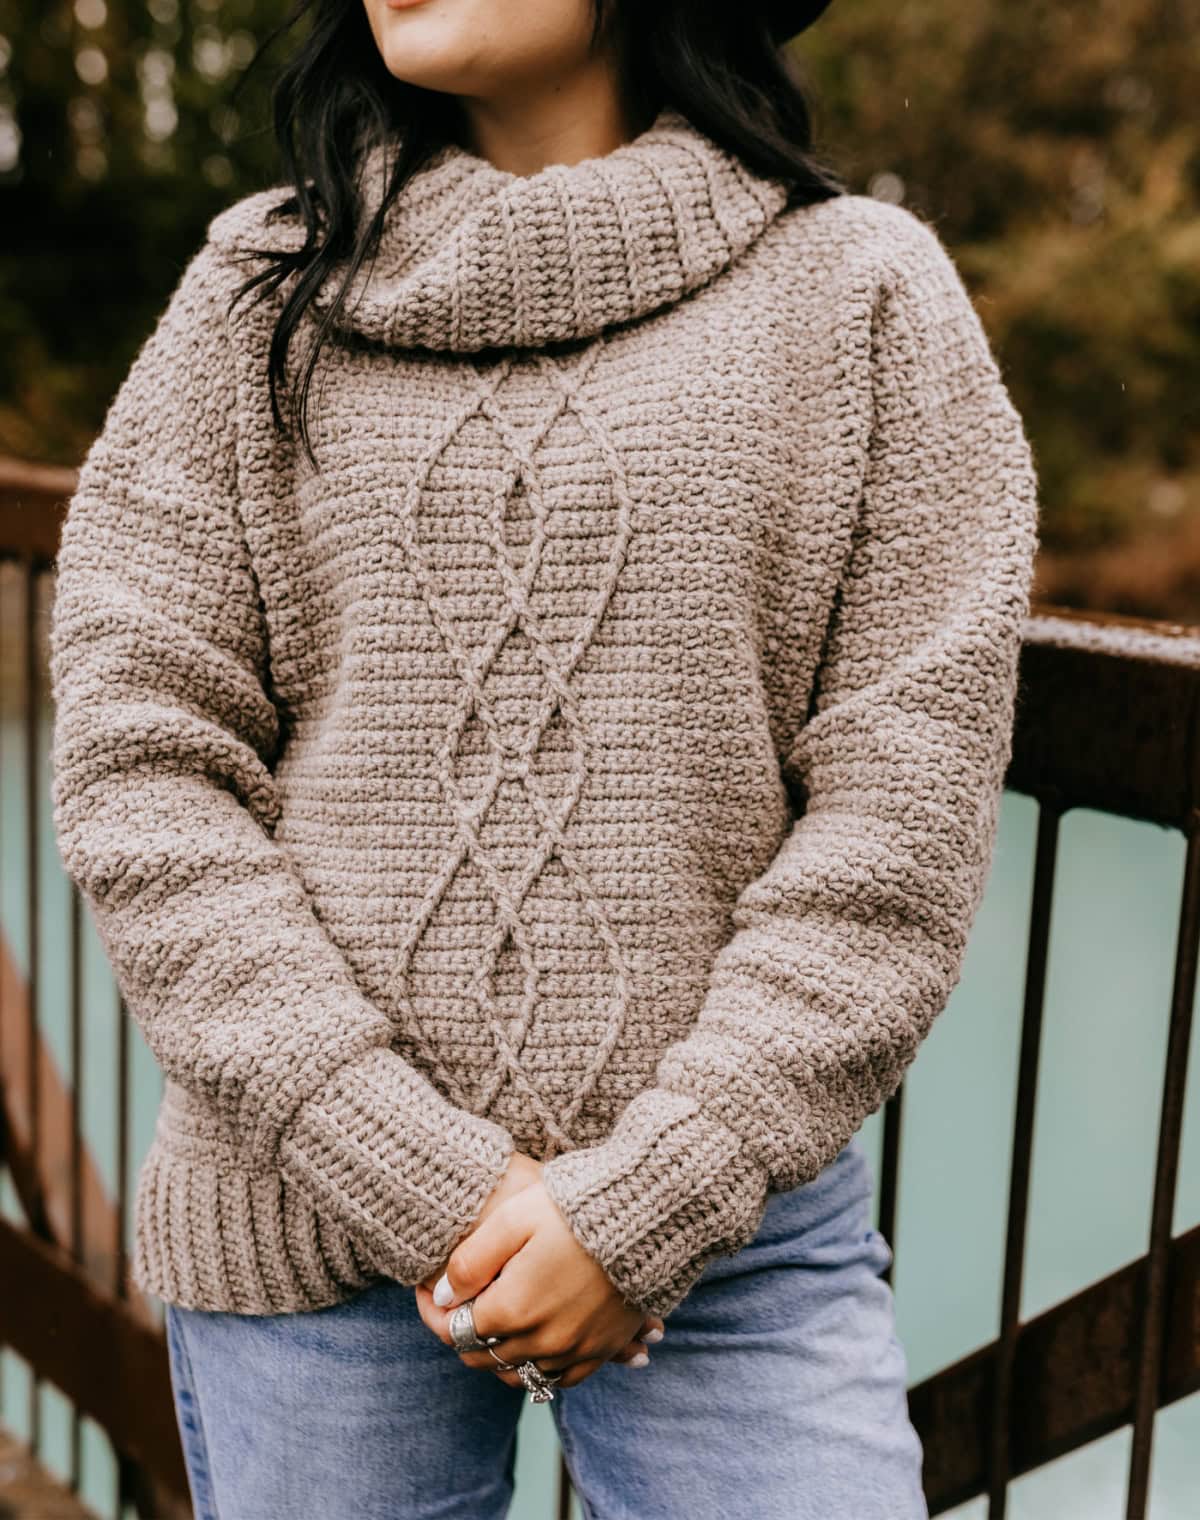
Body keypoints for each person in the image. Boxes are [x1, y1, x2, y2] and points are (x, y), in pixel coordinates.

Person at [47, 0, 1040, 1515]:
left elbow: (899, 818)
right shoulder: (258, 291)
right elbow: (140, 764)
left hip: (728, 1234)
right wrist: (408, 1167)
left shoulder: (860, 295)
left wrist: (652, 1200)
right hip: (305, 1217)